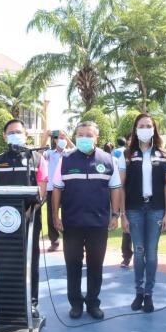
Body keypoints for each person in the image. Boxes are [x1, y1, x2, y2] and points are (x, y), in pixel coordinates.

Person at [52, 121, 121, 320]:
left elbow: (115, 189)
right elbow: (57, 189)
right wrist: (55, 215)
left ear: (96, 138)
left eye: (89, 135)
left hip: (98, 223)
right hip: (72, 223)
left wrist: (115, 215)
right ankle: (75, 304)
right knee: (73, 265)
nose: (84, 138)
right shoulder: (65, 160)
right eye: (80, 135)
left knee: (95, 265)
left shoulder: (108, 160)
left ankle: (93, 303)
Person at [0, 119, 48, 318]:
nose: (15, 135)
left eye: (19, 132)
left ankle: (32, 303)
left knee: (30, 262)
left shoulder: (37, 159)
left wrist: (31, 210)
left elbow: (42, 190)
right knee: (6, 263)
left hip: (30, 219)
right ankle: (9, 304)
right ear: (4, 136)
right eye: (11, 132)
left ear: (26, 135)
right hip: (4, 222)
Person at [119, 113, 166, 313]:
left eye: (148, 125)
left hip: (156, 209)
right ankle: (139, 292)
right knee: (139, 251)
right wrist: (123, 214)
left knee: (151, 252)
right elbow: (121, 187)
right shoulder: (127, 155)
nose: (145, 129)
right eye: (141, 126)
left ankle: (149, 294)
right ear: (135, 129)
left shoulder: (163, 154)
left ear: (154, 129)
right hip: (134, 209)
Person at [41, 129, 74, 252]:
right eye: (59, 138)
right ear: (54, 140)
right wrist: (45, 136)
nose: (62, 140)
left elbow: (76, 150)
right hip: (51, 188)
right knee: (51, 216)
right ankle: (54, 241)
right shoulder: (50, 153)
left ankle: (71, 240)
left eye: (63, 138)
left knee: (69, 215)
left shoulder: (69, 153)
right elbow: (39, 155)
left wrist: (67, 137)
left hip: (67, 188)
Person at [113, 136, 134, 268]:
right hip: (128, 200)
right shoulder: (124, 155)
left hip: (144, 202)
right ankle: (126, 257)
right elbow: (121, 183)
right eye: (131, 138)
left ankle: (142, 258)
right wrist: (121, 211)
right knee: (127, 231)